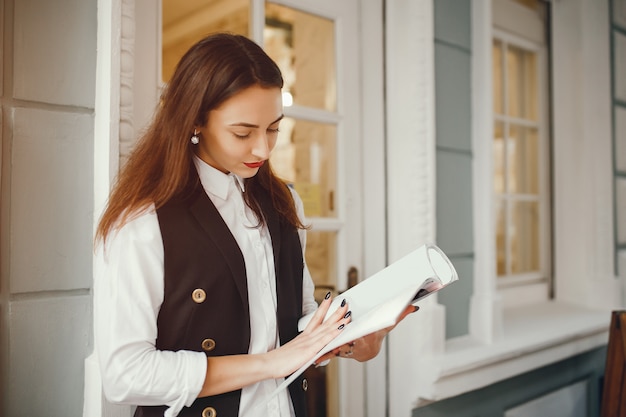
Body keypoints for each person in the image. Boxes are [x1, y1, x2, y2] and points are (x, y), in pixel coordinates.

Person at [94, 32, 415, 417]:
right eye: (243, 133)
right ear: (195, 120)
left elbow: (293, 320)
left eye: (274, 129)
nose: (263, 149)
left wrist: (354, 336)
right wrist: (272, 362)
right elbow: (124, 374)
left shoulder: (282, 203)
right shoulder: (144, 219)